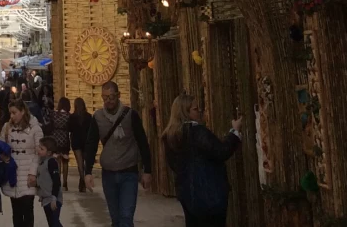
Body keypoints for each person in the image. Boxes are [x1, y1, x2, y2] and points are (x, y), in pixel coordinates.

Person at [163, 93, 242, 227]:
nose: (199, 111)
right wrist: (234, 133)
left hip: (186, 192)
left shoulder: (170, 136)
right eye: (195, 109)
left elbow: (173, 164)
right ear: (184, 112)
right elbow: (221, 151)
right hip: (208, 192)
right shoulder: (197, 132)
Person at [84, 81, 151, 227]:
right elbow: (91, 145)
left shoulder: (131, 115)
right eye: (105, 97)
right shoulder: (98, 117)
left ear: (118, 95)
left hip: (129, 172)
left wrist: (147, 170)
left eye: (111, 97)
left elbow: (142, 142)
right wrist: (87, 171)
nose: (108, 101)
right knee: (116, 218)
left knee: (126, 217)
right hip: (108, 174)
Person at [0, 99, 43, 227]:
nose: (12, 116)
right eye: (10, 113)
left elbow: (39, 153)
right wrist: (3, 157)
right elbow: (0, 146)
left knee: (28, 210)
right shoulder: (7, 128)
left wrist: (33, 173)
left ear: (23, 111)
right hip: (13, 174)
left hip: (28, 174)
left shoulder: (36, 128)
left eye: (14, 112)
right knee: (16, 212)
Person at [36, 136, 64, 227]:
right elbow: (43, 180)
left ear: (49, 152)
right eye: (39, 147)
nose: (39, 150)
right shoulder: (42, 162)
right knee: (51, 223)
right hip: (46, 200)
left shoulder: (51, 162)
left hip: (53, 200)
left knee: (55, 223)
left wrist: (54, 197)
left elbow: (56, 181)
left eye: (42, 149)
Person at [68, 98, 92, 193]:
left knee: (80, 163)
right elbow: (91, 130)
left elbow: (69, 129)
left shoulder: (72, 117)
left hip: (76, 141)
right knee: (85, 163)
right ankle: (83, 181)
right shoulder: (89, 117)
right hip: (86, 141)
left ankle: (82, 180)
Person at [49, 99, 71, 191]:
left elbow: (50, 126)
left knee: (57, 161)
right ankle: (65, 183)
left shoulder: (54, 114)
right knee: (65, 162)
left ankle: (57, 182)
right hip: (65, 139)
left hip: (56, 139)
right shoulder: (68, 116)